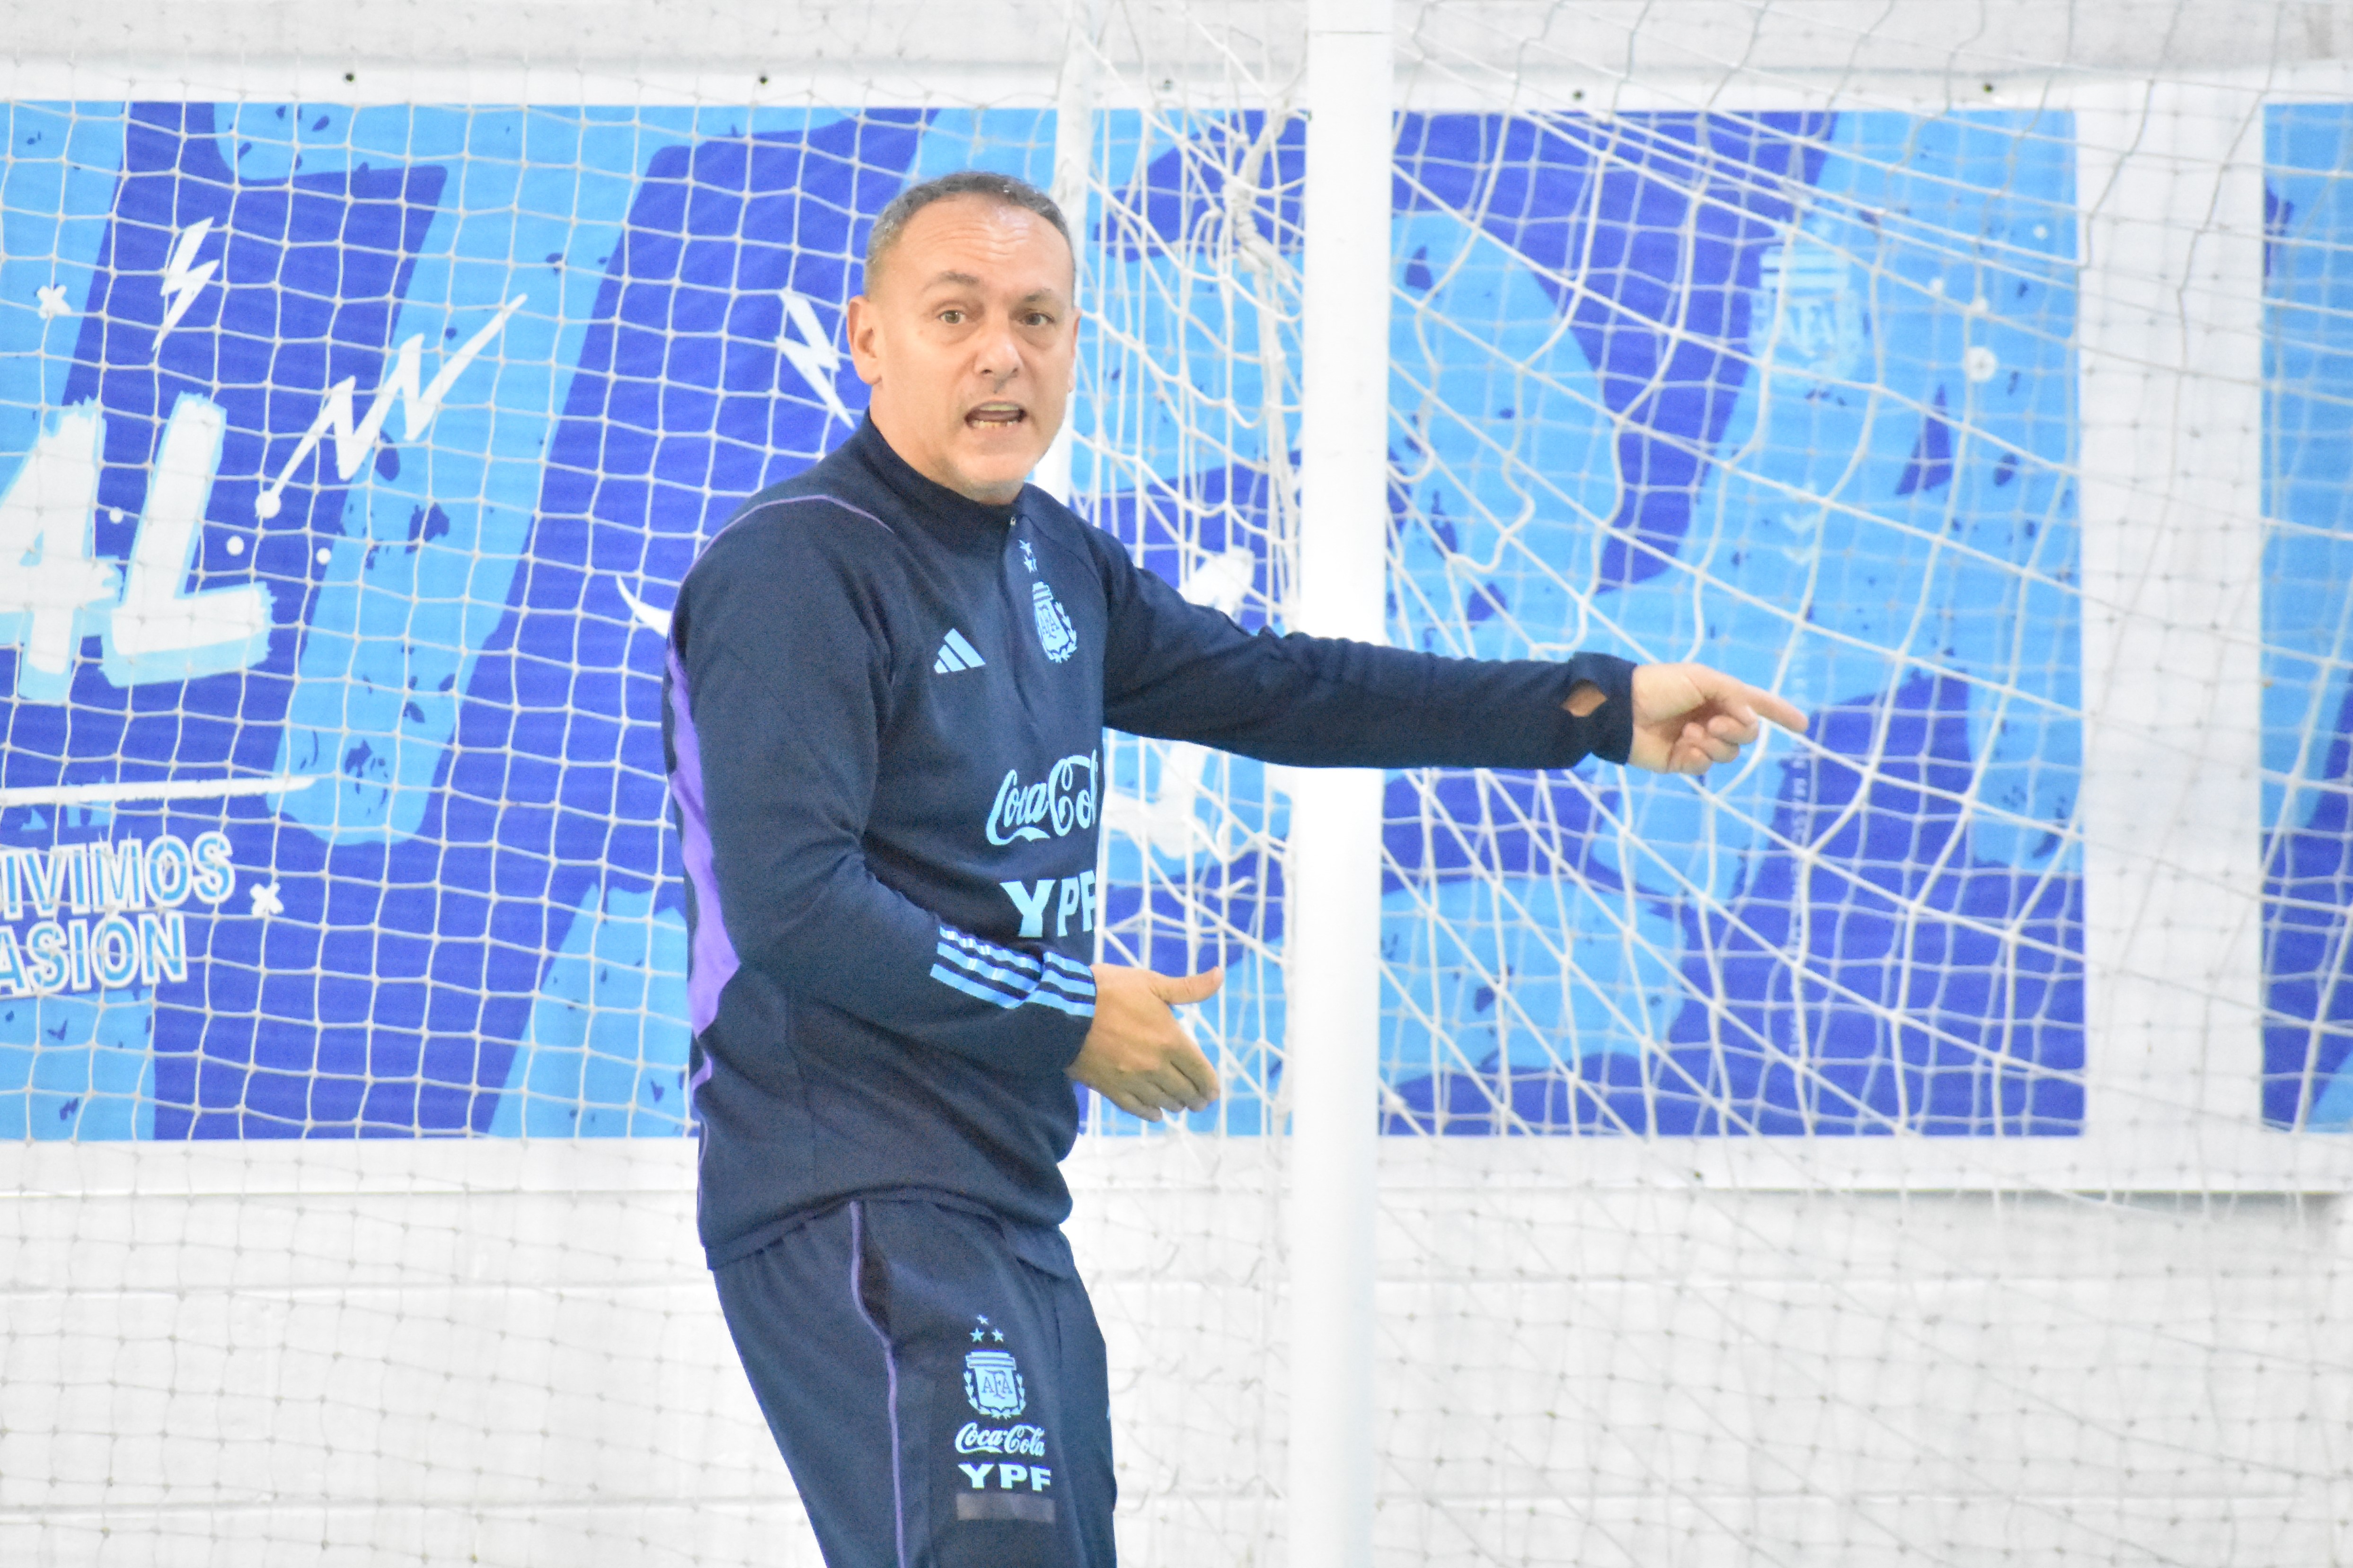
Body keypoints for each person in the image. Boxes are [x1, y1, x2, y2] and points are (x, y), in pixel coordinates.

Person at [661, 169, 1805, 1568]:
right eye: (954, 314)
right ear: (868, 339)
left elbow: (1286, 689)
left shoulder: (1053, 559)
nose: (1001, 352)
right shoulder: (797, 567)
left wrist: (1594, 709)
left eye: (1036, 316)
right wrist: (1069, 1012)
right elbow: (795, 903)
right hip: (853, 1191)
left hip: (1002, 1197)